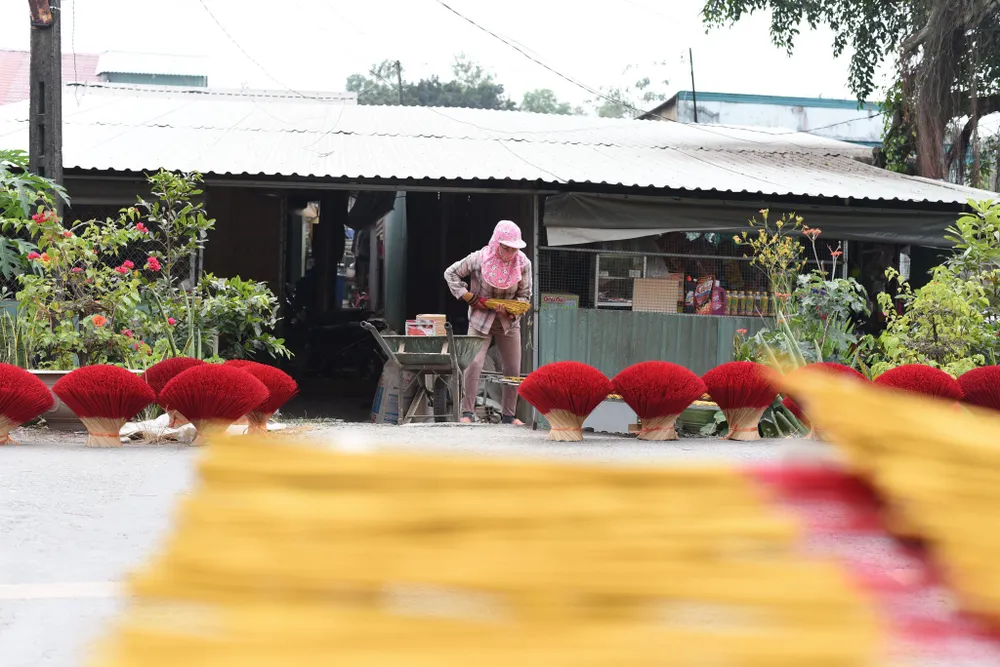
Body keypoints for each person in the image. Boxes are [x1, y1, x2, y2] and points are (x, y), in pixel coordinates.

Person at [444, 220, 532, 425]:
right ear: (496, 243)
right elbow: (450, 273)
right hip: (479, 319)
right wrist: (468, 297)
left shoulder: (523, 263)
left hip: (508, 322)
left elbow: (525, 295)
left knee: (512, 367)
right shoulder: (478, 258)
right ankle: (467, 412)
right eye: (506, 247)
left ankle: (509, 416)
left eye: (514, 248)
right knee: (474, 363)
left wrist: (510, 309)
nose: (510, 252)